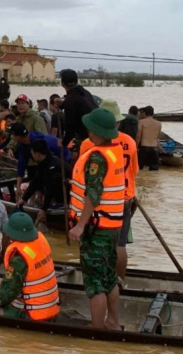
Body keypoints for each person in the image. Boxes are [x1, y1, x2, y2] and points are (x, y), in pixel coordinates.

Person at [68, 108, 125, 330]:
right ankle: (113, 322)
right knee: (109, 276)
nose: (88, 131)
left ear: (97, 131)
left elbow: (93, 194)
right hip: (112, 227)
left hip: (96, 228)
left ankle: (97, 327)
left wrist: (80, 225)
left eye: (91, 128)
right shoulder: (115, 151)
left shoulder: (97, 158)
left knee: (95, 282)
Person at [80, 100, 139, 280]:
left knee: (95, 246)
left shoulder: (89, 144)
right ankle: (118, 281)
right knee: (120, 245)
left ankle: (100, 282)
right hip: (125, 198)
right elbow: (134, 171)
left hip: (101, 204)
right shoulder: (129, 142)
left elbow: (86, 178)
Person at [0, 213, 59, 322]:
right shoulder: (40, 243)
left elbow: (4, 298)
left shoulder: (19, 260)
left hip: (32, 314)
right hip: (48, 308)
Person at [9, 123, 69, 201]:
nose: (11, 137)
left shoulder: (41, 141)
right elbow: (21, 166)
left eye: (12, 135)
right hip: (47, 164)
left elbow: (49, 163)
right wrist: (18, 188)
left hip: (63, 159)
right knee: (39, 179)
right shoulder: (23, 145)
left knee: (53, 183)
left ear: (18, 136)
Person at [17, 139, 68, 223]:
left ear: (37, 154)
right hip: (55, 191)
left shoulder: (53, 165)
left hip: (65, 195)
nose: (32, 155)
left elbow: (50, 188)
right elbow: (35, 181)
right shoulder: (43, 163)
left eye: (32, 153)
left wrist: (44, 209)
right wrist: (24, 199)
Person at [60, 69, 98, 148]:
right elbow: (78, 102)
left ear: (62, 83)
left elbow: (70, 128)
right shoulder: (86, 93)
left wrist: (63, 144)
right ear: (77, 81)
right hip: (98, 136)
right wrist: (63, 104)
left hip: (88, 140)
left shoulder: (70, 100)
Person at [136, 106, 162, 171]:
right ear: (153, 113)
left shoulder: (141, 122)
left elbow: (138, 136)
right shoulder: (159, 123)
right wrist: (160, 149)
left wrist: (135, 147)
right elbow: (157, 138)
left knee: (139, 169)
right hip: (154, 149)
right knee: (154, 171)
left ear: (145, 113)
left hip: (144, 148)